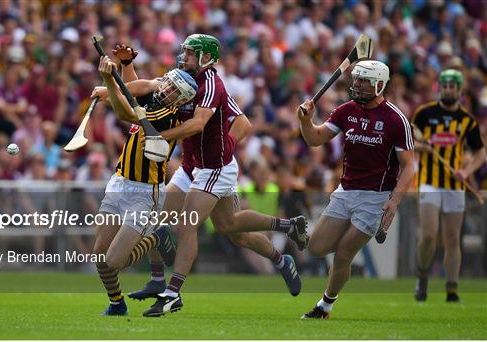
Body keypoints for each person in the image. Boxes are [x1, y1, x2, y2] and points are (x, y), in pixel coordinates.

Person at [142, 34, 307, 317]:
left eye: (191, 53)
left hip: (214, 169)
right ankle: (285, 244)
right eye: (184, 52)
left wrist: (162, 136)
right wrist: (109, 88)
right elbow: (243, 121)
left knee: (186, 225)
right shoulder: (182, 77)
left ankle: (172, 293)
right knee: (230, 228)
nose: (185, 57)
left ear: (206, 57)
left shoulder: (211, 84)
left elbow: (198, 124)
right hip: (192, 166)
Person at [297, 60, 415, 319]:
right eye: (357, 80)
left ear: (380, 85)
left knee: (343, 254)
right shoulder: (346, 110)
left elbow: (409, 167)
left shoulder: (395, 120)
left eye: (364, 82)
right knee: (316, 248)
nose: (357, 85)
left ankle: (325, 305)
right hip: (345, 191)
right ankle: (328, 297)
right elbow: (315, 139)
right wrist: (306, 121)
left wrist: (394, 202)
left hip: (376, 198)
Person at [91, 52, 198, 317]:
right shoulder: (154, 97)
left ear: (182, 100)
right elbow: (133, 89)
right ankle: (117, 303)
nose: (167, 90)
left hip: (145, 192)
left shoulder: (167, 113)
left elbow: (125, 111)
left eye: (174, 90)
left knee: (115, 260)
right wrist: (125, 67)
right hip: (119, 183)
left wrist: (108, 82)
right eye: (168, 84)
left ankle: (156, 237)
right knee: (99, 255)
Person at [411, 69, 485, 303]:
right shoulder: (424, 113)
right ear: (439, 88)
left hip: (455, 185)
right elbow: (409, 140)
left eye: (453, 86)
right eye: (445, 85)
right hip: (429, 182)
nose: (448, 89)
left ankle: (451, 289)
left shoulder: (466, 120)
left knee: (453, 239)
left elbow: (481, 154)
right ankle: (422, 276)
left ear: (459, 90)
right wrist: (422, 147)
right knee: (430, 235)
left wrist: (466, 170)